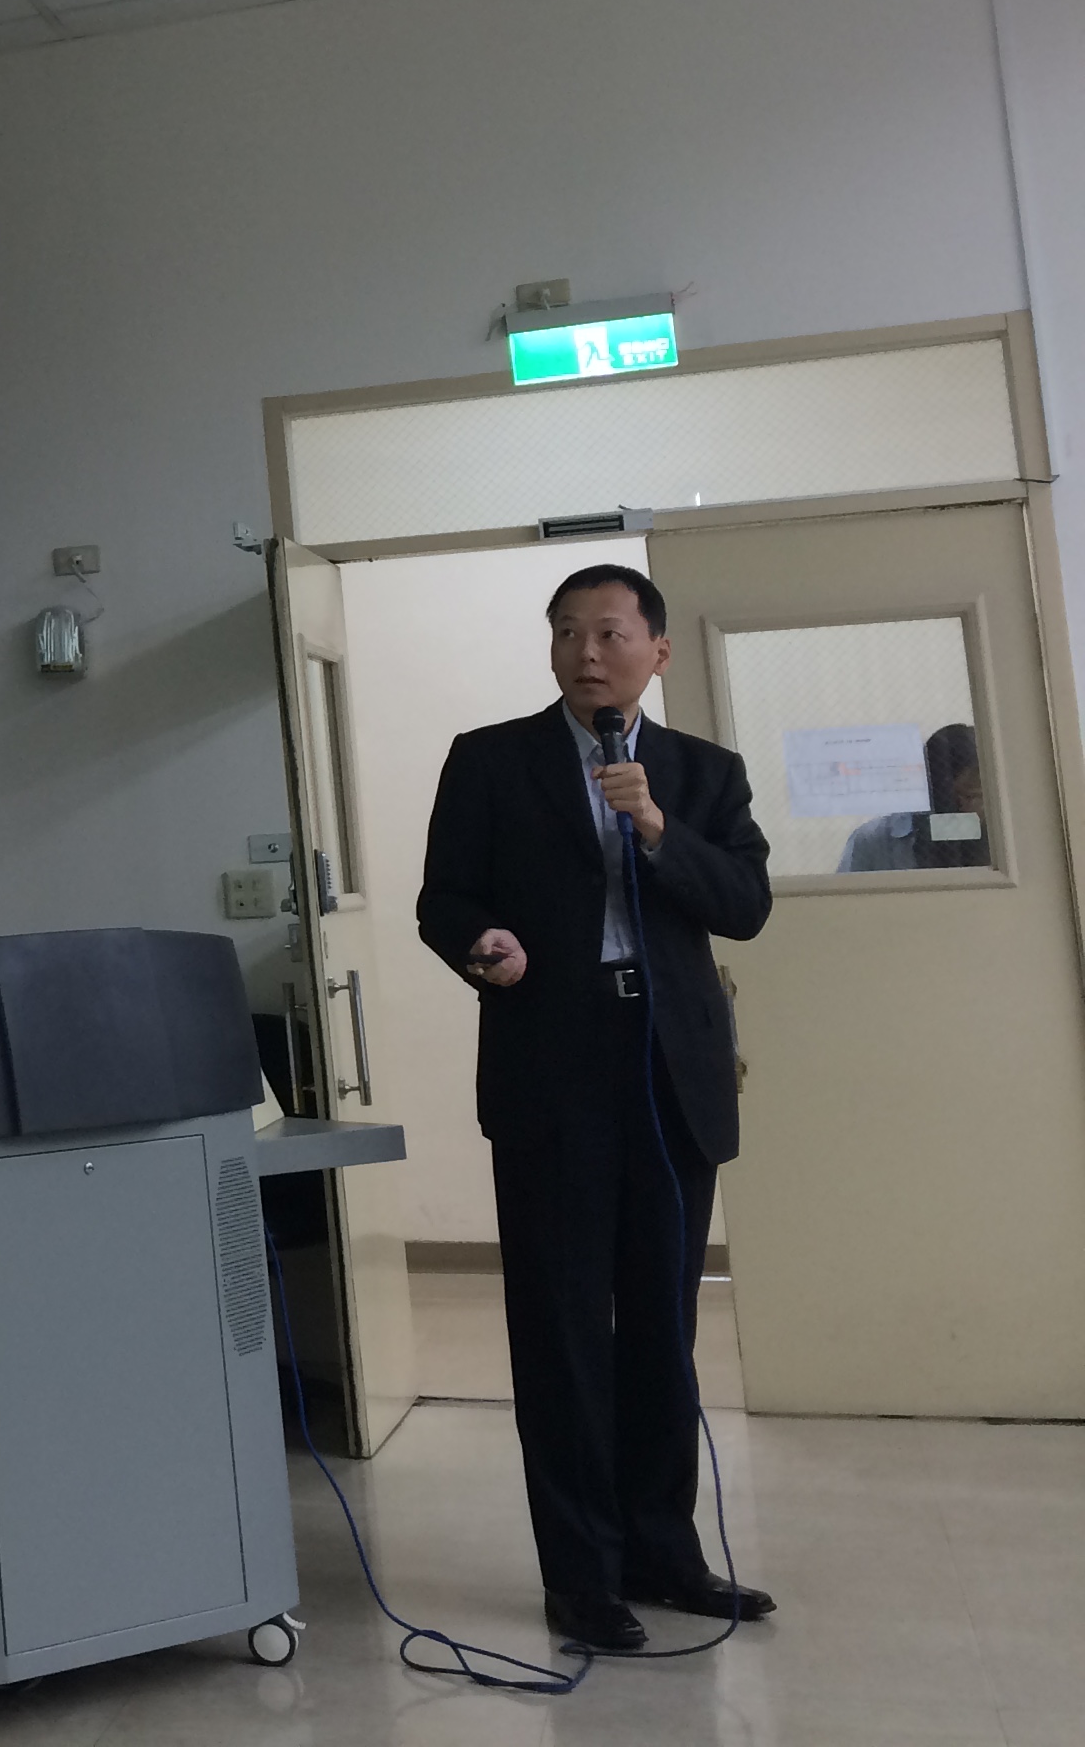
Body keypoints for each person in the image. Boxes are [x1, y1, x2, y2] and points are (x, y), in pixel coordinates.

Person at [415, 563, 779, 1653]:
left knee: (663, 1328)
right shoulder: (491, 760)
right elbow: (444, 897)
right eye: (567, 632)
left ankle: (665, 1553)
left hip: (668, 1073)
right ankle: (581, 1575)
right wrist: (480, 942)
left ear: (655, 651)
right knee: (563, 1328)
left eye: (610, 632)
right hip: (552, 1070)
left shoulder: (702, 773)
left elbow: (745, 904)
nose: (586, 652)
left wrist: (658, 827)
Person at [838, 723, 987, 871]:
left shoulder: (998, 836)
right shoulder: (874, 841)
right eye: (957, 799)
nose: (967, 809)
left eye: (977, 796)